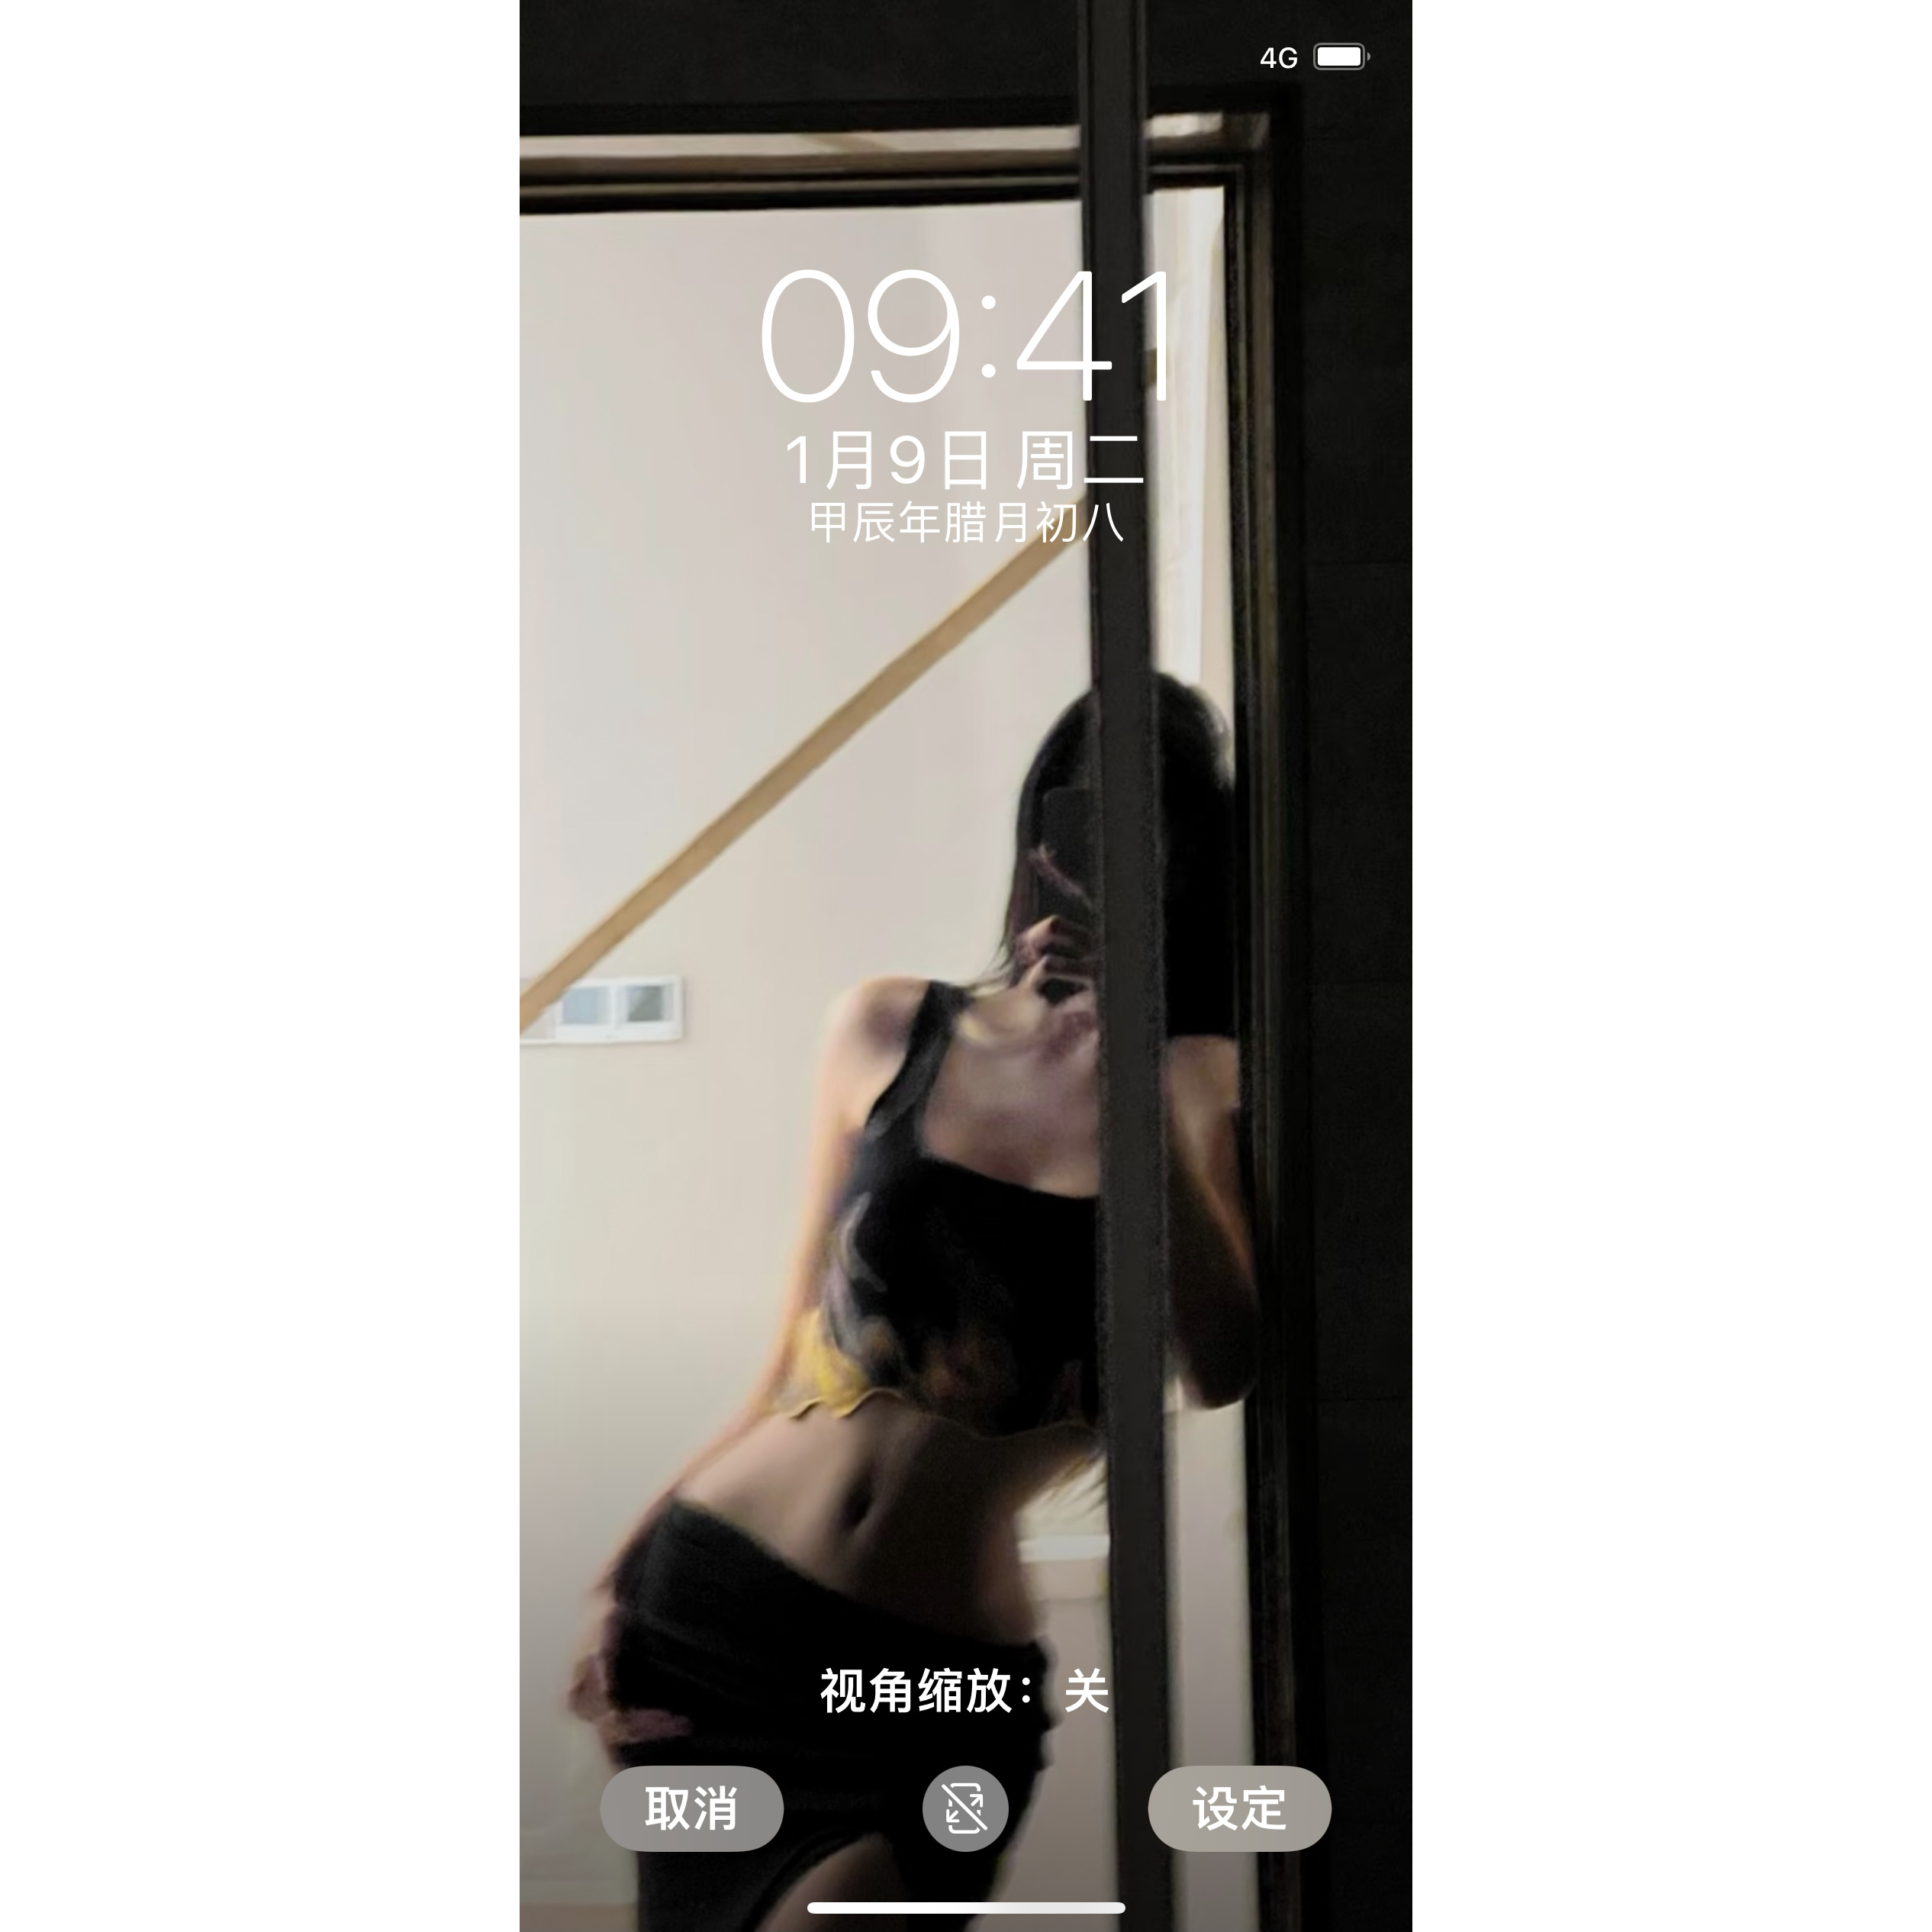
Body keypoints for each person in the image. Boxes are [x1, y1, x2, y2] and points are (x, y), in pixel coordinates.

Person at [569, 675, 1258, 1930]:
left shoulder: (1202, 1081)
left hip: (929, 1679)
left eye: (1148, 836)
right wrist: (622, 1567)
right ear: (1037, 839)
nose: (1100, 864)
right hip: (721, 1607)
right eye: (1077, 819)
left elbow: (1223, 1364)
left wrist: (1133, 1080)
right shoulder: (889, 1025)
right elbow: (793, 1355)